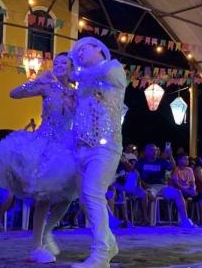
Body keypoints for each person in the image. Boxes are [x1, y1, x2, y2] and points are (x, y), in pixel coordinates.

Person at [0, 52, 78, 263]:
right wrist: (37, 80)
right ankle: (36, 247)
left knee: (68, 196)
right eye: (55, 62)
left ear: (71, 67)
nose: (58, 65)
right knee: (44, 197)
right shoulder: (48, 87)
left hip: (66, 146)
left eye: (63, 62)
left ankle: (46, 232)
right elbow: (14, 93)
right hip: (44, 143)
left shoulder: (76, 93)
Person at [70, 36, 126, 268]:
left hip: (106, 145)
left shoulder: (114, 68)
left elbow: (106, 74)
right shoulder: (82, 82)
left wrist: (78, 73)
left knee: (93, 193)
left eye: (82, 49)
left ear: (98, 49)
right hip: (82, 147)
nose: (78, 55)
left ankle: (101, 254)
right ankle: (109, 243)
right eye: (76, 53)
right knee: (86, 198)